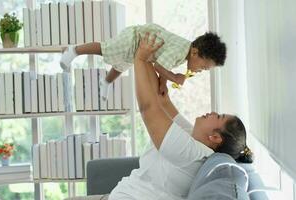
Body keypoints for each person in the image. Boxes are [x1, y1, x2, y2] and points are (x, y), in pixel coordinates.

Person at [107, 32, 252, 200]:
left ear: (215, 137)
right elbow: (161, 100)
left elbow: (148, 108)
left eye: (218, 116)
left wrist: (139, 59)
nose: (212, 112)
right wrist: (146, 55)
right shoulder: (192, 135)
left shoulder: (193, 153)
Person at [60, 23, 227, 100]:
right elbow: (159, 66)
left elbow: (164, 65)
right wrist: (174, 78)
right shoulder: (181, 51)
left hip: (141, 49)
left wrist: (163, 84)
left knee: (121, 65)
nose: (199, 71)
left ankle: (106, 82)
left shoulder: (184, 55)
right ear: (195, 52)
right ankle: (74, 50)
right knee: (108, 48)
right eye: (203, 67)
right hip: (135, 38)